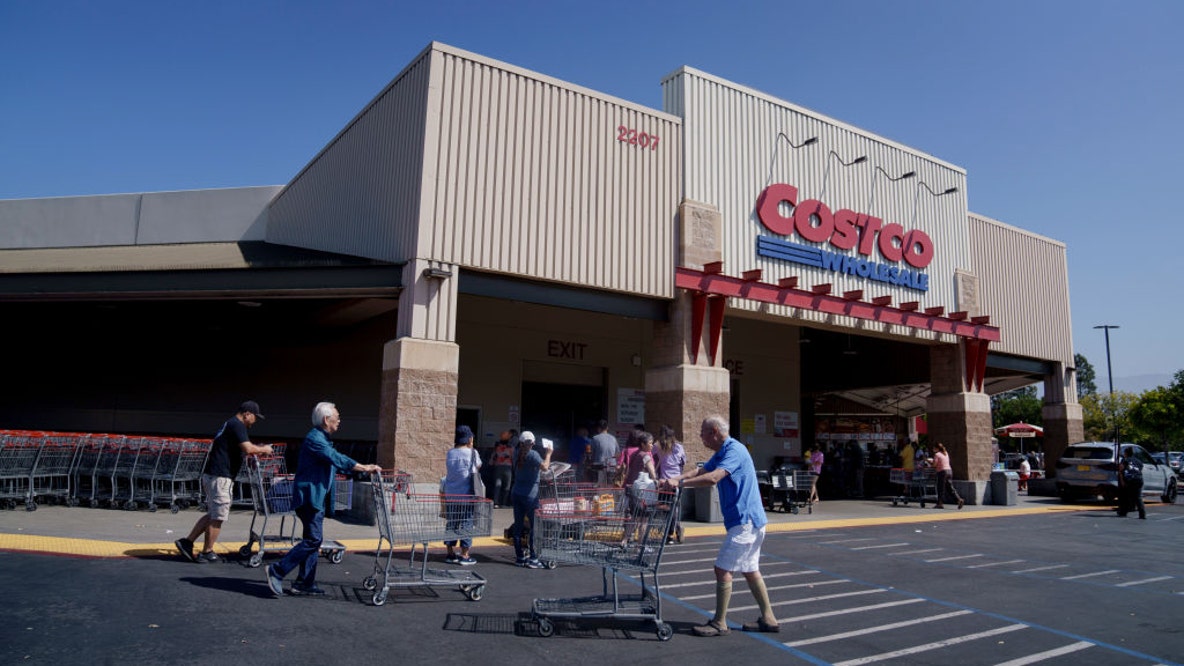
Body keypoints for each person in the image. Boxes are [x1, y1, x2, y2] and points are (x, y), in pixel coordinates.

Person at [661, 416, 779, 637]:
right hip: (748, 521)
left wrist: (680, 484)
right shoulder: (723, 451)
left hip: (745, 521)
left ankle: (719, 623)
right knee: (750, 570)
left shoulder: (734, 451)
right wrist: (675, 478)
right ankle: (769, 618)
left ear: (714, 431)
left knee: (723, 569)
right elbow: (701, 471)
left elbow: (713, 478)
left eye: (703, 433)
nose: (700, 437)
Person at [265, 402, 381, 596]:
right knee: (314, 539)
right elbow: (335, 458)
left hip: (314, 497)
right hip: (309, 497)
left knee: (312, 540)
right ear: (327, 420)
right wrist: (364, 467)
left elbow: (334, 461)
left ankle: (304, 583)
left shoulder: (321, 439)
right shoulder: (316, 439)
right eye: (337, 416)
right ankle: (277, 571)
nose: (339, 420)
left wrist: (357, 470)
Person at [175, 401, 273, 563]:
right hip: (220, 476)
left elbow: (237, 449)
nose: (255, 421)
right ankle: (207, 551)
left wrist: (254, 452)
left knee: (213, 514)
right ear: (247, 414)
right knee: (219, 516)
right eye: (255, 417)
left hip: (213, 475)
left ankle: (187, 542)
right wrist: (264, 449)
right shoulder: (237, 425)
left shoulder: (230, 424)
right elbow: (248, 448)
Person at [509, 430, 551, 568]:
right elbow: (545, 467)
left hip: (516, 492)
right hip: (530, 495)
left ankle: (519, 557)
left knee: (518, 525)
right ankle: (533, 558)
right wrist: (549, 453)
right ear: (532, 443)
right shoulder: (533, 454)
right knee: (535, 526)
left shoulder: (516, 452)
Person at [442, 425, 481, 565]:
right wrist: (471, 447)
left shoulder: (450, 453)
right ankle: (464, 554)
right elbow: (478, 467)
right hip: (466, 495)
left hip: (451, 494)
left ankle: (450, 553)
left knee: (452, 522)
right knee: (466, 523)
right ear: (469, 438)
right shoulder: (473, 453)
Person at [655, 425, 686, 543]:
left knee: (667, 508)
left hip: (665, 482)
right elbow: (683, 463)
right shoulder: (679, 447)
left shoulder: (658, 447)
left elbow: (653, 461)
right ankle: (675, 528)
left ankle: (670, 534)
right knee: (673, 507)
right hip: (677, 480)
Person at [932, 442, 964, 510]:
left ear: (937, 448)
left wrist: (927, 460)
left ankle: (939, 504)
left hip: (942, 472)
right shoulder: (946, 453)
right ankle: (959, 499)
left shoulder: (937, 454)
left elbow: (934, 465)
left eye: (934, 448)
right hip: (949, 471)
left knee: (940, 488)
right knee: (949, 488)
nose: (933, 449)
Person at [1116, 446, 1145, 519]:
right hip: (1139, 479)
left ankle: (1123, 512)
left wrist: (1122, 481)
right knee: (1138, 497)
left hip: (1129, 480)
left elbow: (1121, 471)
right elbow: (1140, 468)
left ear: (1126, 453)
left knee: (1124, 496)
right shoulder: (1138, 461)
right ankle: (1142, 514)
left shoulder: (1125, 460)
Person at [588, 419, 619, 483]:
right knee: (610, 486)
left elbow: (591, 454)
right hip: (612, 467)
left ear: (598, 428)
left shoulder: (595, 438)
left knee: (599, 486)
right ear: (607, 428)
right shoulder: (613, 438)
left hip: (599, 466)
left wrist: (589, 463)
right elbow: (618, 453)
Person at [491, 431, 514, 507]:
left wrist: (491, 463)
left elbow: (493, 456)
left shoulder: (497, 447)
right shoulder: (511, 448)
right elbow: (513, 457)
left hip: (498, 466)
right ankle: (504, 503)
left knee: (498, 484)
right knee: (507, 486)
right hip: (508, 467)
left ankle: (496, 502)